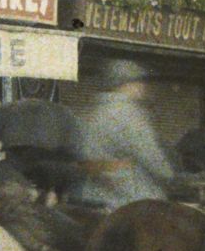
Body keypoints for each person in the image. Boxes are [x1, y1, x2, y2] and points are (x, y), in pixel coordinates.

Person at [73, 58, 176, 210]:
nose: (142, 87)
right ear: (125, 84)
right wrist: (169, 175)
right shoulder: (129, 113)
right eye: (138, 82)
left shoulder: (92, 111)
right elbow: (149, 154)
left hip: (92, 194)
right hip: (130, 197)